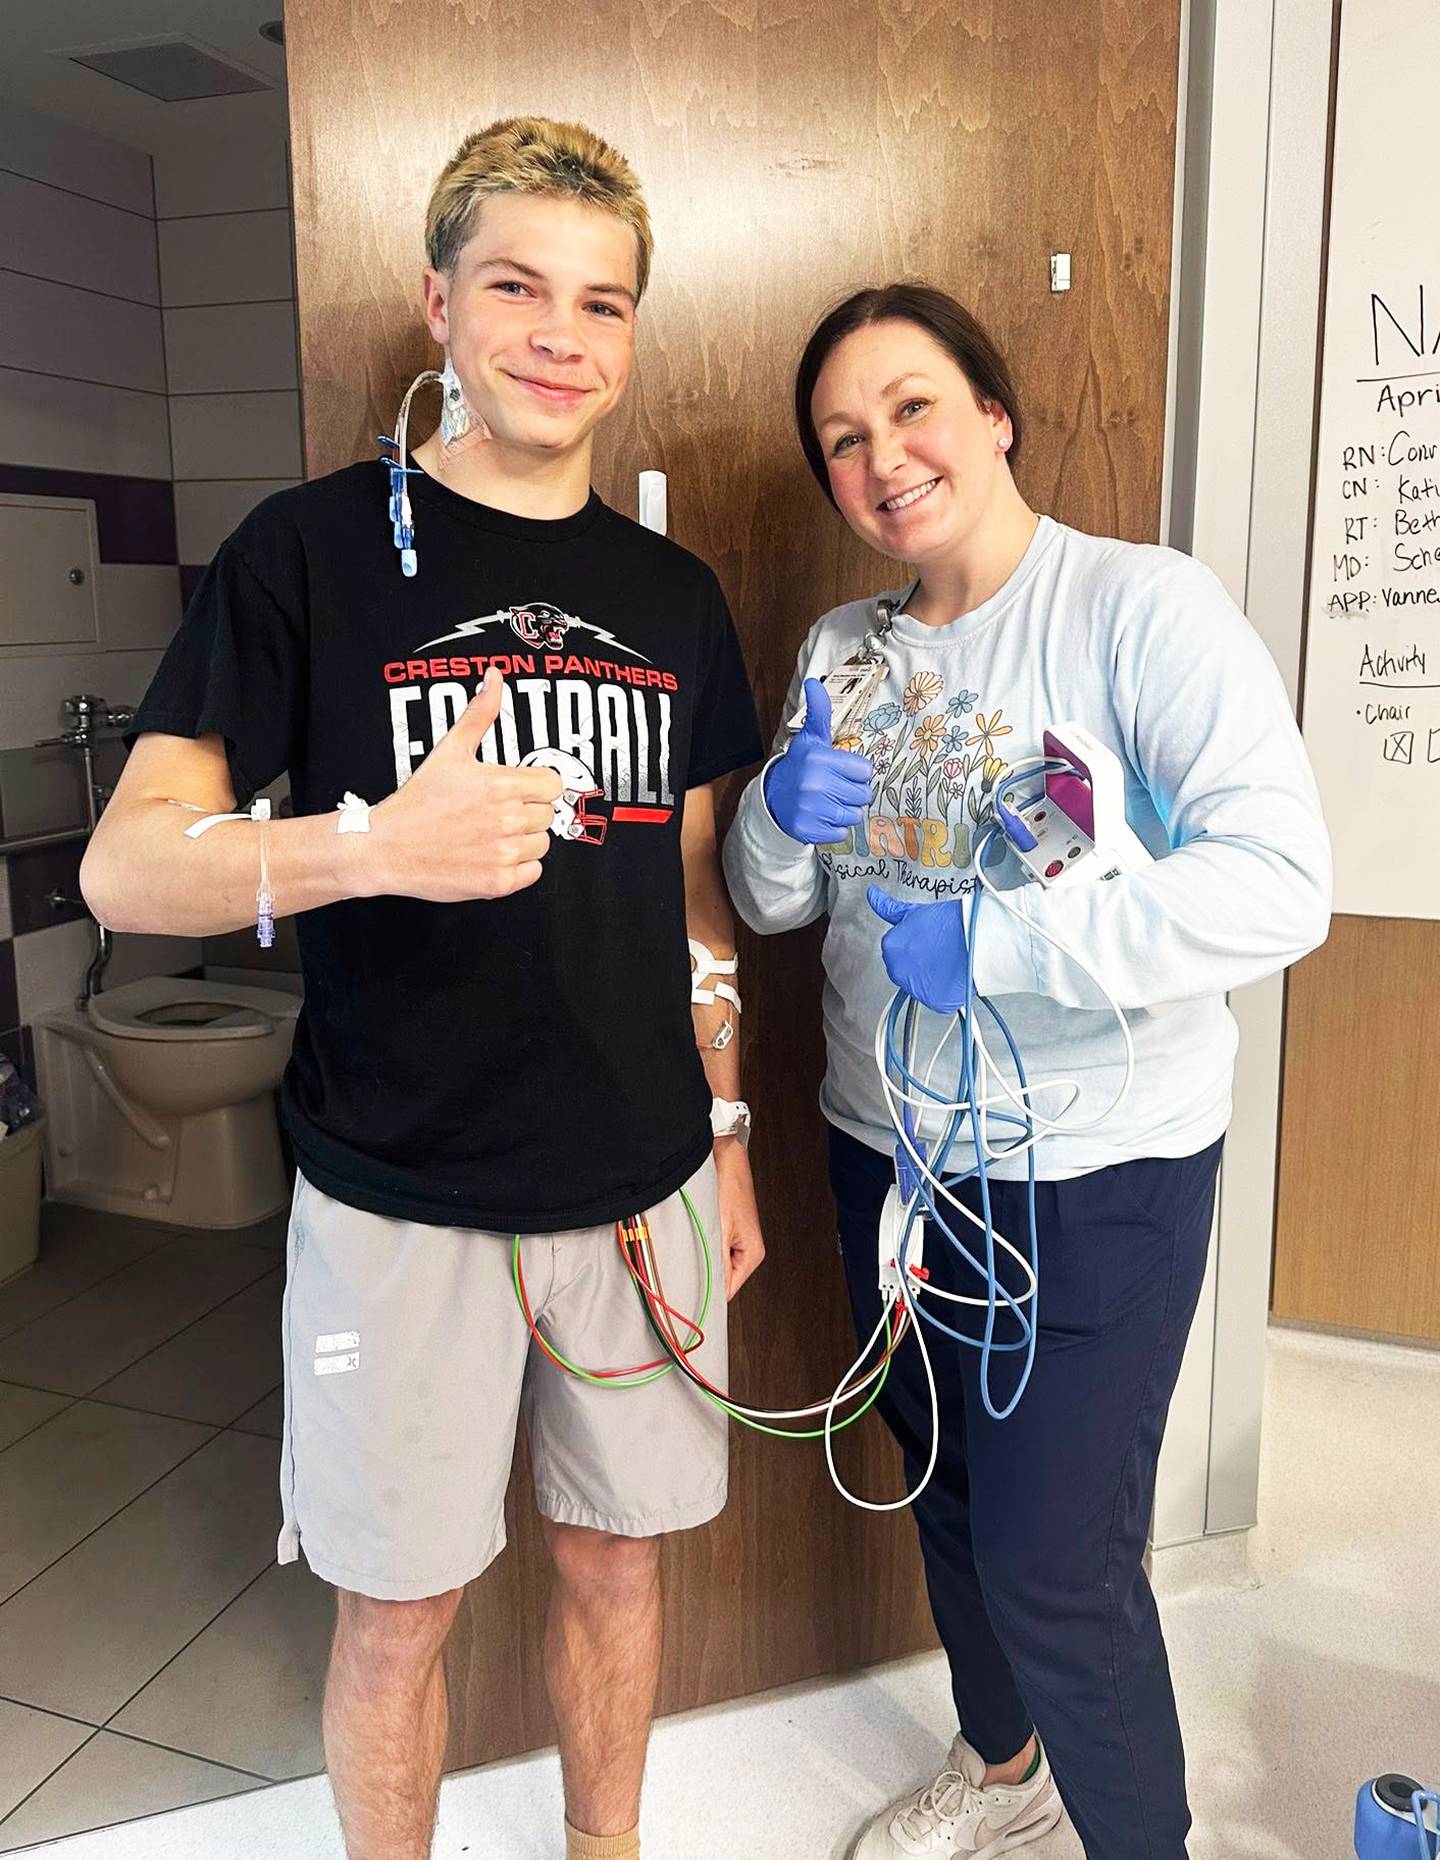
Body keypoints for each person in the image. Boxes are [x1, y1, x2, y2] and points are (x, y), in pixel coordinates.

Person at [81, 117, 766, 1860]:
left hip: (647, 1187)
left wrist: (732, 1127)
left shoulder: (673, 597)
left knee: (619, 1564)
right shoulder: (305, 558)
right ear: (438, 307)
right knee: (399, 1612)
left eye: (600, 302)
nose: (560, 335)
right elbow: (123, 867)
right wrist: (362, 848)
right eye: (517, 286)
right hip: (395, 1194)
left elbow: (691, 887)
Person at [722, 283, 1331, 1860]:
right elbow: (776, 905)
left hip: (1098, 1167)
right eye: (844, 439)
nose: (884, 457)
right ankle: (1003, 1770)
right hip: (893, 1157)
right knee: (950, 1495)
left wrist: (1003, 951)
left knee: (1063, 1560)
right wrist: (780, 811)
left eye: (913, 407)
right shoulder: (843, 652)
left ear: (993, 414)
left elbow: (1279, 882)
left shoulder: (1139, 608)